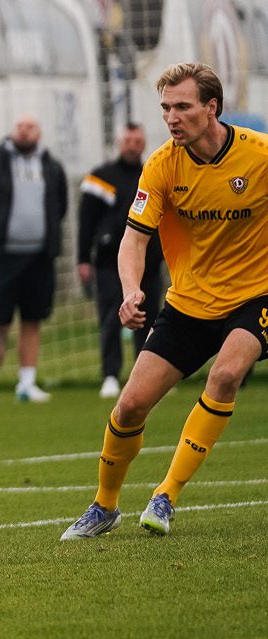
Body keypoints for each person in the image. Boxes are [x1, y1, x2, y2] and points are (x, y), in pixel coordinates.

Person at [63, 63, 268, 539]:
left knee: (226, 373)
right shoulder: (161, 165)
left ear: (210, 107)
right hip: (190, 302)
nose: (171, 118)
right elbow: (134, 240)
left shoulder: (259, 156)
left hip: (255, 295)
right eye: (165, 108)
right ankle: (104, 505)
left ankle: (166, 495)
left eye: (182, 106)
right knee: (131, 406)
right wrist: (132, 289)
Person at [0, 114, 70, 405]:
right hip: (3, 256)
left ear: (39, 133)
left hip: (39, 257)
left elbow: (59, 205)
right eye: (20, 127)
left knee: (32, 319)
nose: (25, 132)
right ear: (12, 132)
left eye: (31, 127)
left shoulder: (52, 167)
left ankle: (27, 383)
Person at [78, 123, 167, 400]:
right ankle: (110, 375)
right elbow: (86, 221)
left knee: (150, 319)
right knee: (110, 318)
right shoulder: (101, 177)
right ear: (119, 142)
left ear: (143, 143)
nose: (132, 144)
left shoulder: (153, 173)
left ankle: (146, 379)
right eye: (128, 139)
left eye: (137, 140)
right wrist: (82, 258)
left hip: (150, 264)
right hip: (107, 264)